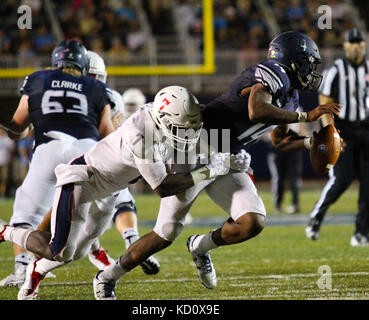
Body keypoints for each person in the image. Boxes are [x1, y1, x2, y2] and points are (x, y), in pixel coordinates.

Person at [80, 31, 340, 300]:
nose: (312, 70)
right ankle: (107, 277)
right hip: (200, 142)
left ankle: (200, 246)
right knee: (166, 232)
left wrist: (313, 142)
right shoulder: (272, 72)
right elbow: (256, 110)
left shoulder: (292, 96)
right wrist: (306, 115)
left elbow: (280, 140)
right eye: (309, 62)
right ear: (293, 59)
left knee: (252, 222)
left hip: (229, 153)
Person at [0, 85, 240, 300]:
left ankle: (35, 272)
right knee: (59, 250)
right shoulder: (141, 132)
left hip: (111, 189)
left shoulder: (165, 118)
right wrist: (211, 170)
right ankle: (2, 231)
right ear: (163, 120)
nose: (187, 133)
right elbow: (163, 187)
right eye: (181, 127)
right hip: (83, 179)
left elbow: (193, 129)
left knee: (78, 251)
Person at [0, 39, 115, 288]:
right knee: (77, 220)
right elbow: (108, 134)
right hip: (86, 153)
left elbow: (16, 126)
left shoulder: (38, 79)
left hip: (49, 147)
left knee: (25, 212)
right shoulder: (94, 86)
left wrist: (21, 130)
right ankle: (87, 252)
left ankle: (22, 269)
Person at [85, 51, 160, 274]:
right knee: (120, 198)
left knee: (65, 216)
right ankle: (131, 241)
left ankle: (29, 267)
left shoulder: (51, 86)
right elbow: (112, 134)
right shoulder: (108, 94)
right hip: (102, 159)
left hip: (65, 158)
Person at [305, 28, 369, 246]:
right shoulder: (337, 70)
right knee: (341, 180)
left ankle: (361, 232)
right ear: (345, 46)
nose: (356, 45)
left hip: (366, 129)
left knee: (368, 185)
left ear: (364, 44)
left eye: (359, 41)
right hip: (344, 130)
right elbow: (324, 105)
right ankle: (316, 216)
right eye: (352, 42)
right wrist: (331, 132)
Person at [266, 110, 307, 214]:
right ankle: (278, 205)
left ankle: (294, 204)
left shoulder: (297, 107)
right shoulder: (271, 105)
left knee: (294, 177)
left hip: (292, 145)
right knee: (278, 177)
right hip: (278, 146)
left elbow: (302, 127)